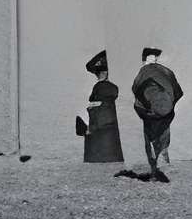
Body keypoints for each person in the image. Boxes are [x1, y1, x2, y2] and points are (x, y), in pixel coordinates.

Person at [127, 47, 183, 183]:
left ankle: (153, 167)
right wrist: (169, 106)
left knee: (150, 136)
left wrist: (145, 108)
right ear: (155, 58)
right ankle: (163, 161)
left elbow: (135, 89)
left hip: (148, 112)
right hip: (166, 110)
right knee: (163, 134)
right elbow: (179, 91)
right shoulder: (167, 71)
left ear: (144, 59)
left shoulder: (143, 71)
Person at [77, 51, 126, 167]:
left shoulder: (102, 88)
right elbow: (104, 115)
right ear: (107, 72)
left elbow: (102, 115)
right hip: (108, 150)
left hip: (103, 151)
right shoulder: (107, 88)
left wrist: (89, 129)